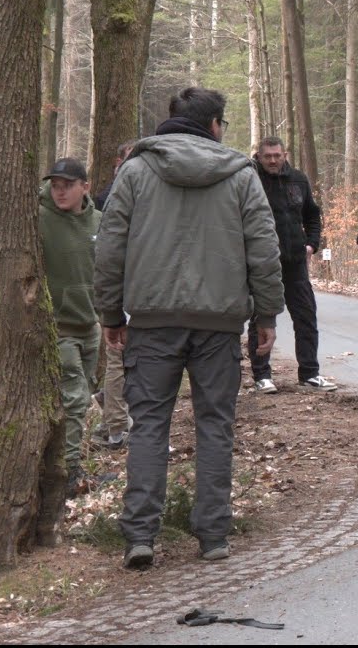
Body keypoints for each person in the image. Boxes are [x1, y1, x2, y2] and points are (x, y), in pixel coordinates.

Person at [94, 86, 284, 569]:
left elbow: (110, 246)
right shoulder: (241, 175)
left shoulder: (135, 170)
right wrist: (266, 314)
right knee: (215, 424)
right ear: (214, 125)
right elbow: (263, 249)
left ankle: (140, 535)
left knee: (149, 426)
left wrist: (111, 314)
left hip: (153, 322)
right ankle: (213, 534)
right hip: (218, 325)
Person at [248, 137, 337, 393]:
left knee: (306, 316)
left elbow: (312, 215)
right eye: (268, 156)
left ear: (285, 155)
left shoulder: (298, 180)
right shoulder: (251, 180)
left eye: (277, 155)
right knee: (261, 318)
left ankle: (310, 373)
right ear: (259, 156)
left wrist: (312, 244)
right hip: (263, 263)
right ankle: (262, 375)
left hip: (296, 262)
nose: (273, 160)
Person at [39, 157, 103, 496]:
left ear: (85, 187)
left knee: (81, 397)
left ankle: (64, 464)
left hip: (90, 325)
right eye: (55, 186)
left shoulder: (99, 221)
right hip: (57, 327)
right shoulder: (38, 217)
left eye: (67, 186)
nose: (60, 192)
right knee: (75, 397)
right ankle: (68, 472)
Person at [93, 141, 137, 450]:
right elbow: (106, 251)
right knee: (118, 358)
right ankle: (116, 427)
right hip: (121, 290)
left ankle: (112, 410)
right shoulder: (110, 197)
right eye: (131, 159)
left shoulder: (143, 190)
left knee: (130, 361)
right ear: (118, 163)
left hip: (143, 288)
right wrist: (110, 305)